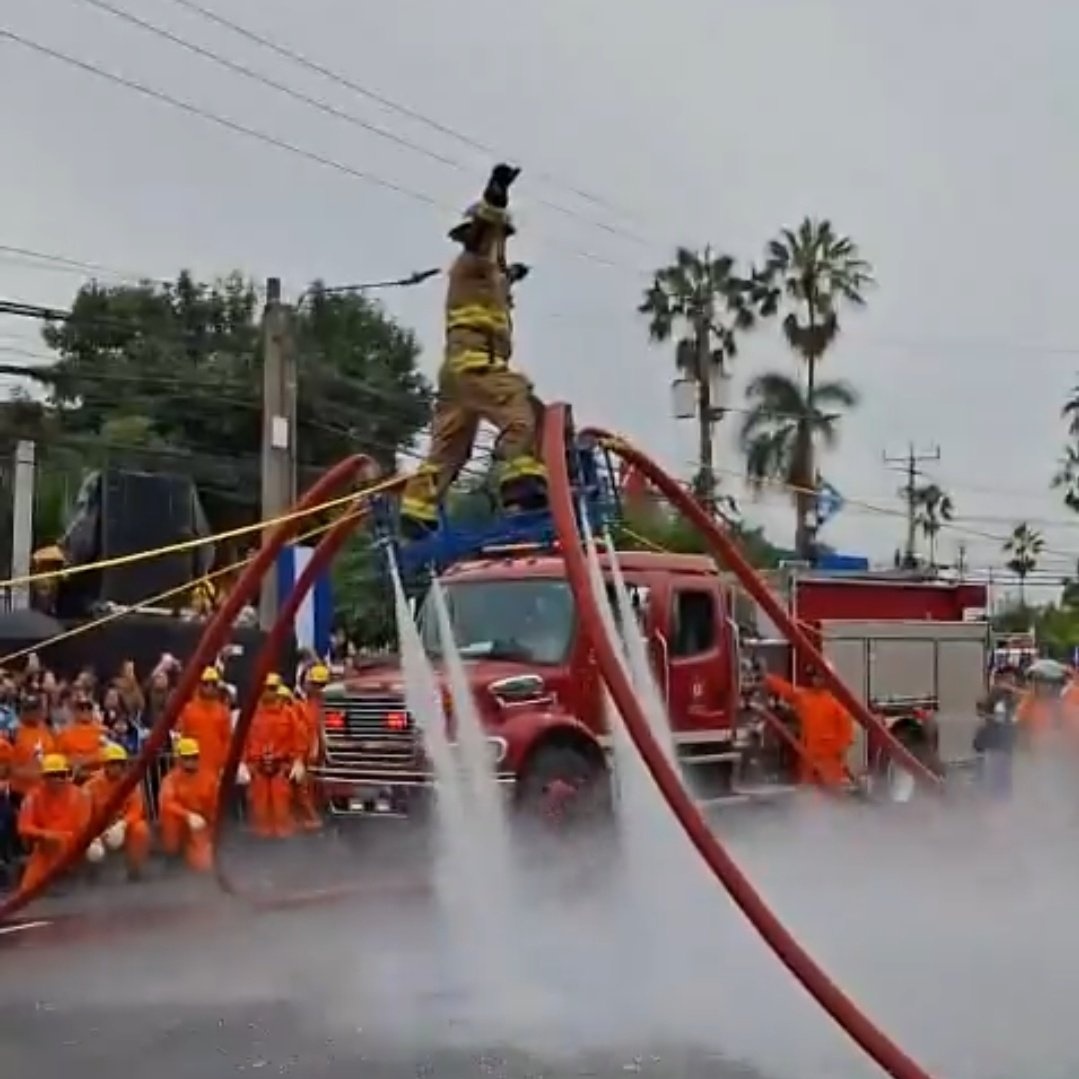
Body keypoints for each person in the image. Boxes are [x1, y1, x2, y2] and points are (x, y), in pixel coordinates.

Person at [398, 163, 547, 538]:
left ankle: (418, 510)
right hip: (477, 366)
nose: (500, 243)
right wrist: (495, 195)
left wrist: (513, 275)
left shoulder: (488, 275)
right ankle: (519, 482)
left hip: (456, 375)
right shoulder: (473, 259)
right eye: (498, 237)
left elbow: (494, 279)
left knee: (450, 450)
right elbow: (483, 240)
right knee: (524, 412)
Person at [763, 665, 854, 788]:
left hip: (829, 763)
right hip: (809, 761)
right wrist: (767, 677)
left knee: (832, 798)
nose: (816, 680)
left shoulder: (836, 703)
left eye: (820, 676)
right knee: (809, 796)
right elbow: (787, 690)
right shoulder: (805, 697)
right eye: (815, 676)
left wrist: (839, 753)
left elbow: (847, 732)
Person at [237, 674, 305, 839]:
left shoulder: (289, 714)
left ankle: (283, 848)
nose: (269, 692)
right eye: (266, 688)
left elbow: (298, 740)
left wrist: (298, 761)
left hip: (281, 770)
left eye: (273, 688)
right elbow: (241, 740)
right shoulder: (250, 714)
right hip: (257, 770)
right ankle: (260, 847)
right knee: (259, 811)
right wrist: (241, 764)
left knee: (282, 810)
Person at [16, 753, 92, 893]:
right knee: (27, 891)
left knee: (94, 852)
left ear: (66, 775)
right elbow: (23, 827)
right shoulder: (33, 796)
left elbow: (84, 828)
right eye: (52, 775)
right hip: (45, 848)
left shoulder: (81, 795)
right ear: (44, 778)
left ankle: (79, 878)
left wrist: (66, 838)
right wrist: (46, 835)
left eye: (60, 775)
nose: (56, 779)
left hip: (75, 846)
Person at [84, 744, 151, 881]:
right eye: (113, 763)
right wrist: (91, 836)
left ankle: (135, 868)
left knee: (141, 829)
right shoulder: (90, 786)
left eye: (120, 763)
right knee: (93, 851)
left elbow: (137, 809)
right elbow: (82, 814)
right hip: (98, 828)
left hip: (121, 826)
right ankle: (92, 870)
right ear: (105, 765)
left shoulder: (130, 784)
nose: (117, 767)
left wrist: (123, 824)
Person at [158, 737, 216, 872]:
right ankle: (172, 855)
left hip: (201, 823)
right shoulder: (171, 779)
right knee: (169, 817)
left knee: (204, 864)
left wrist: (212, 833)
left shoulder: (209, 777)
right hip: (180, 822)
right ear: (180, 759)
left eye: (194, 757)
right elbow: (167, 802)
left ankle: (192, 851)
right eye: (187, 757)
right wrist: (188, 815)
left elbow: (216, 806)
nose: (191, 761)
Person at [973, 667, 1020, 799]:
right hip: (995, 747)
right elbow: (984, 710)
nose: (1009, 683)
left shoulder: (1013, 698)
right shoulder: (996, 695)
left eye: (1012, 680)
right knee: (994, 782)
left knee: (1002, 782)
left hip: (1005, 748)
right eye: (1007, 679)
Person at [176, 666, 232, 778]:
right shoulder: (187, 710)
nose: (209, 687)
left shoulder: (223, 711)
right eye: (206, 683)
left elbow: (227, 740)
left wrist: (224, 765)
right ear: (199, 685)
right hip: (192, 766)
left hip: (215, 768)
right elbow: (181, 737)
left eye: (213, 684)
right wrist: (181, 763)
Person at [293, 664, 330, 831]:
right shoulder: (307, 703)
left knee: (309, 791)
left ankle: (314, 823)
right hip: (310, 755)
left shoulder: (318, 705)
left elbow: (318, 731)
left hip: (314, 756)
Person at [55, 693, 109, 779]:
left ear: (92, 711)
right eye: (81, 709)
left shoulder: (102, 731)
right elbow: (57, 757)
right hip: (72, 776)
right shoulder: (64, 733)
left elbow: (107, 754)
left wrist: (84, 762)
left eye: (88, 708)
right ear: (75, 712)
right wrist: (72, 763)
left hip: (96, 777)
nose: (85, 711)